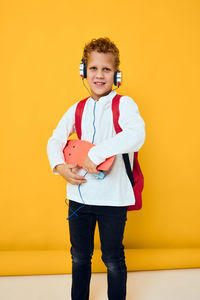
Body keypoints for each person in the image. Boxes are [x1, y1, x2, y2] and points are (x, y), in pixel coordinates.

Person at [47, 37, 145, 300]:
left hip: (114, 200)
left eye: (106, 69)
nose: (99, 75)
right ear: (83, 71)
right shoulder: (77, 108)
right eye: (93, 68)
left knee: (112, 258)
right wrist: (58, 166)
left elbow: (137, 134)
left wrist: (97, 153)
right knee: (79, 256)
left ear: (117, 74)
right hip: (78, 197)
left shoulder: (124, 104)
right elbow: (55, 139)